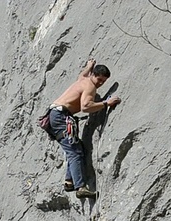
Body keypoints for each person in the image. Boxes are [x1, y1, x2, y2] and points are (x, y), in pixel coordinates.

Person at [49, 58, 121, 198]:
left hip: (56, 115)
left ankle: (69, 181)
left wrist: (89, 66)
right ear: (93, 75)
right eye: (99, 79)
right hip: (61, 117)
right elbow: (85, 107)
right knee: (74, 151)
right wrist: (106, 103)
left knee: (76, 148)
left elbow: (81, 75)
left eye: (103, 82)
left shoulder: (84, 80)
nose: (100, 83)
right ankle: (80, 187)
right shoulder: (90, 86)